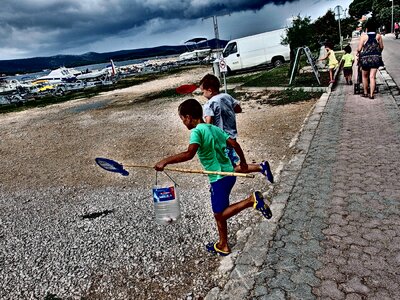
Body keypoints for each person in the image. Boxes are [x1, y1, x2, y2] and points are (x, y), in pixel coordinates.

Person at [154, 98, 272, 256]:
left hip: (218, 179)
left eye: (183, 119)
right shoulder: (213, 128)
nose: (183, 123)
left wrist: (165, 161)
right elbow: (235, 144)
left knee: (219, 214)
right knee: (220, 212)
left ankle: (251, 201)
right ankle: (223, 245)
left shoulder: (197, 131)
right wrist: (243, 163)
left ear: (189, 117)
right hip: (229, 174)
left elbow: (189, 154)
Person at [199, 74, 274, 183]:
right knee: (230, 165)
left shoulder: (209, 104)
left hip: (221, 140)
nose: (203, 94)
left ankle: (260, 167)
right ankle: (261, 167)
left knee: (230, 168)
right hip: (232, 135)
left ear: (209, 90)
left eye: (203, 91)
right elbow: (238, 109)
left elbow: (208, 124)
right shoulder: (226, 96)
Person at [357, 19, 384, 99]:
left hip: (365, 59)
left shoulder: (364, 37)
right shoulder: (378, 36)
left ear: (367, 28)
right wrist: (377, 52)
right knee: (372, 77)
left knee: (364, 76)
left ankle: (365, 93)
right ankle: (371, 95)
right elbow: (381, 47)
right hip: (375, 59)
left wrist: (359, 52)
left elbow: (359, 49)